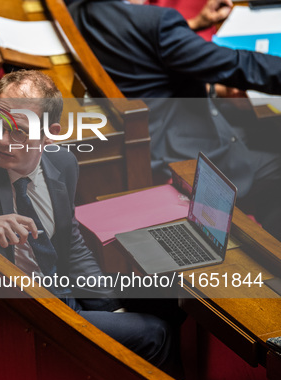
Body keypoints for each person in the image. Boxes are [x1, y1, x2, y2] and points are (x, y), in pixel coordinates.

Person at [0, 70, 180, 371]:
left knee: (170, 302)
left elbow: (72, 246)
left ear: (50, 134)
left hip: (62, 295)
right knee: (156, 333)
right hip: (22, 316)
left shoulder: (64, 163)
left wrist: (112, 310)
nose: (2, 139)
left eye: (19, 131)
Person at [69, 0, 281, 240]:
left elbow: (137, 47)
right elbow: (242, 65)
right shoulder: (156, 22)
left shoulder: (79, 8)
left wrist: (193, 25)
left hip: (156, 139)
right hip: (190, 157)